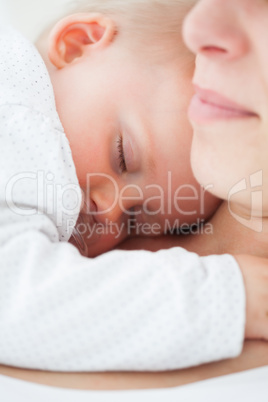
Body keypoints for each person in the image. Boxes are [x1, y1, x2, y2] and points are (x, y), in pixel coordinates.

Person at [0, 0, 266, 373]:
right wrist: (226, 298)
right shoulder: (18, 112)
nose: (108, 210)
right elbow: (15, 301)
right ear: (76, 44)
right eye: (123, 157)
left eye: (135, 219)